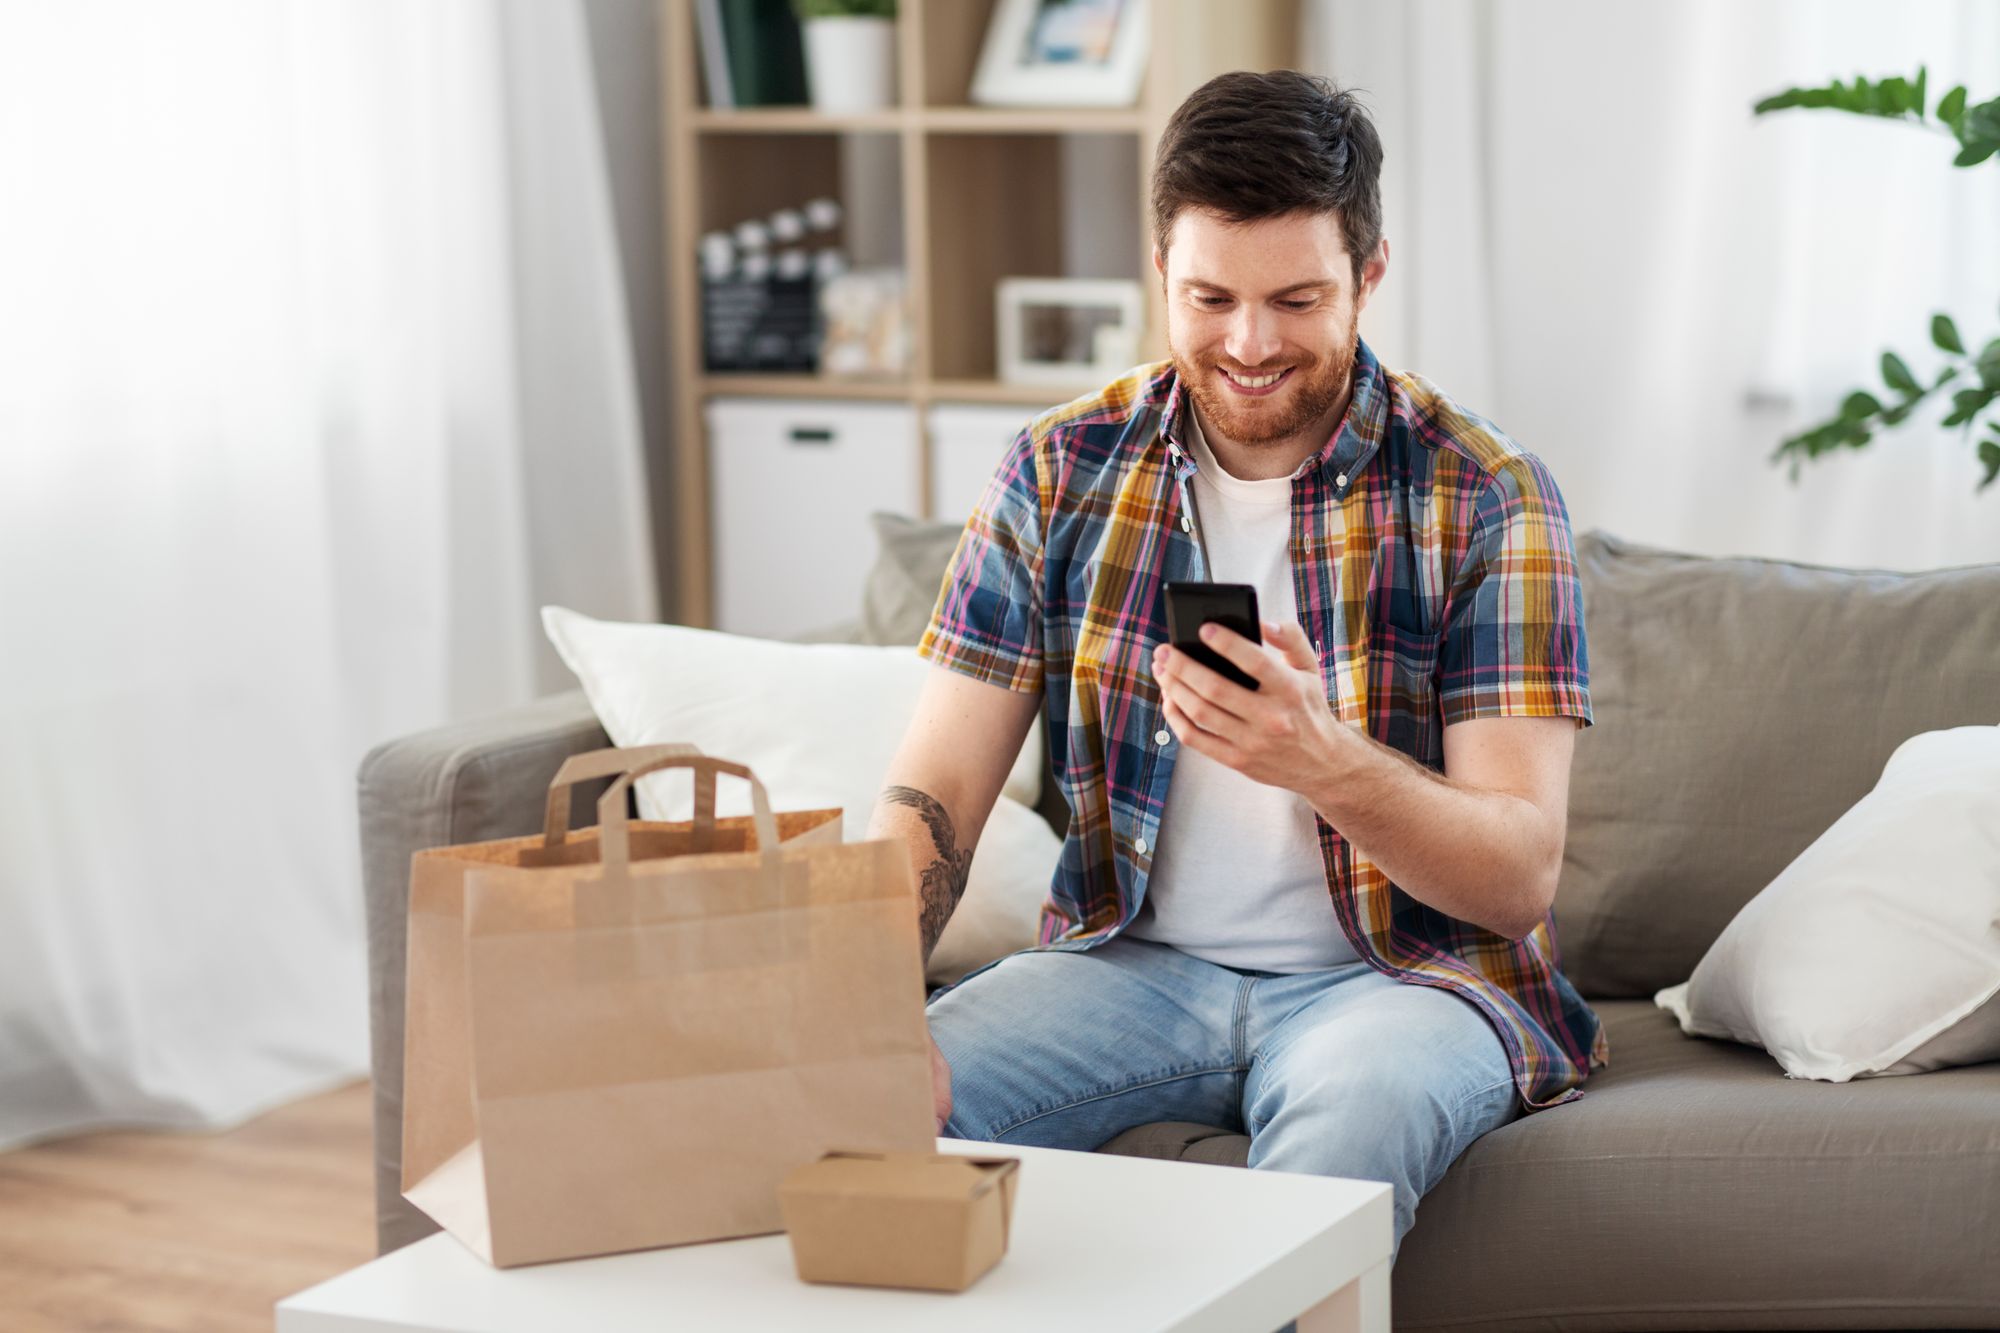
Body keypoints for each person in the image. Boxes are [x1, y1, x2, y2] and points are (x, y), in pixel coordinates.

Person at [865, 69, 1606, 1267]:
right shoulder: (1057, 470)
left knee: (1338, 1139)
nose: (1250, 344)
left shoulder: (1484, 493)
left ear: (1368, 275)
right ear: (1158, 270)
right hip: (1127, 970)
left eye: (1296, 298)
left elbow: (1515, 873)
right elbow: (936, 792)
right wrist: (862, 1019)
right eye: (1209, 297)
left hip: (1400, 984)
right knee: (857, 1125)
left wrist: (1322, 764)